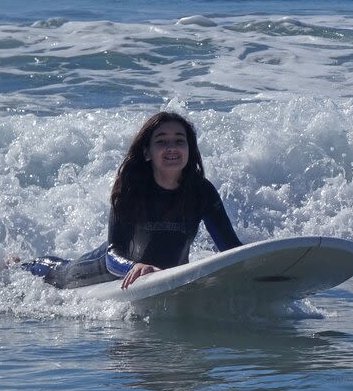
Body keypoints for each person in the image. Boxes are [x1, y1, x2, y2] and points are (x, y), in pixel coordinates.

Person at [23, 111, 242, 289]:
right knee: (59, 273)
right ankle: (24, 265)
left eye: (179, 140)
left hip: (165, 277)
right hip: (103, 270)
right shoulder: (132, 190)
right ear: (147, 152)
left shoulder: (202, 191)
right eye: (161, 141)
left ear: (189, 149)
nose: (172, 148)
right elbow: (112, 254)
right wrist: (135, 267)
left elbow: (231, 249)